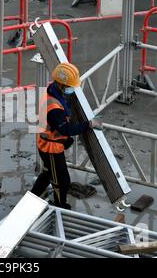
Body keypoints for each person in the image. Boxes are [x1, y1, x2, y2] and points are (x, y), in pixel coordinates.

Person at [31, 62, 102, 210]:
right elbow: (66, 130)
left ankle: (32, 197)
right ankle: (60, 206)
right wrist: (89, 124)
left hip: (47, 142)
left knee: (47, 173)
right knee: (61, 180)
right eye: (70, 86)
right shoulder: (54, 107)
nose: (72, 89)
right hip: (50, 147)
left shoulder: (52, 90)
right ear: (62, 85)